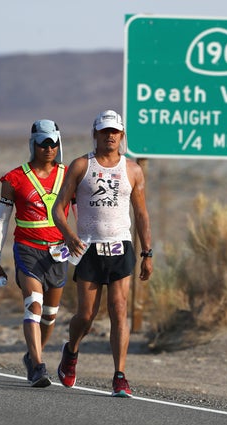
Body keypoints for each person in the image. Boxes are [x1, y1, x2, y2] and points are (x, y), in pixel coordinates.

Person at [52, 109, 153, 398]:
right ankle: (71, 351)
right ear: (95, 134)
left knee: (119, 310)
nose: (110, 136)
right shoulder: (81, 166)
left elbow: (142, 212)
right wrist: (70, 237)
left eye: (115, 132)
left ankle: (120, 375)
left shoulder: (132, 170)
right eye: (105, 131)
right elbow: (58, 209)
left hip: (121, 246)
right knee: (86, 314)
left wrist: (148, 252)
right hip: (87, 247)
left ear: (122, 136)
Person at [0, 119, 71, 388]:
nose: (48, 148)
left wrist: (84, 247)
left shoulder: (69, 175)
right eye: (42, 143)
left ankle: (32, 356)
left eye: (53, 143)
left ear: (59, 144)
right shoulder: (14, 179)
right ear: (32, 144)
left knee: (50, 314)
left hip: (59, 253)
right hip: (27, 250)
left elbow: (83, 214)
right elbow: (1, 221)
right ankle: (37, 366)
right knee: (33, 305)